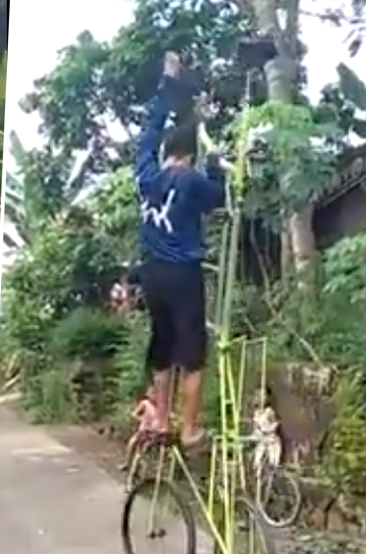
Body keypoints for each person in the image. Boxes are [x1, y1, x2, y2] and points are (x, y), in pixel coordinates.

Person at [134, 51, 225, 446]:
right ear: (188, 154)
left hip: (152, 272)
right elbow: (218, 196)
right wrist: (218, 163)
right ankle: (188, 430)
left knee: (162, 344)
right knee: (191, 350)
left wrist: (167, 85)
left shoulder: (146, 175)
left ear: (166, 151)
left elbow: (149, 132)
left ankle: (160, 420)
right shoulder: (192, 180)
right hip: (183, 275)